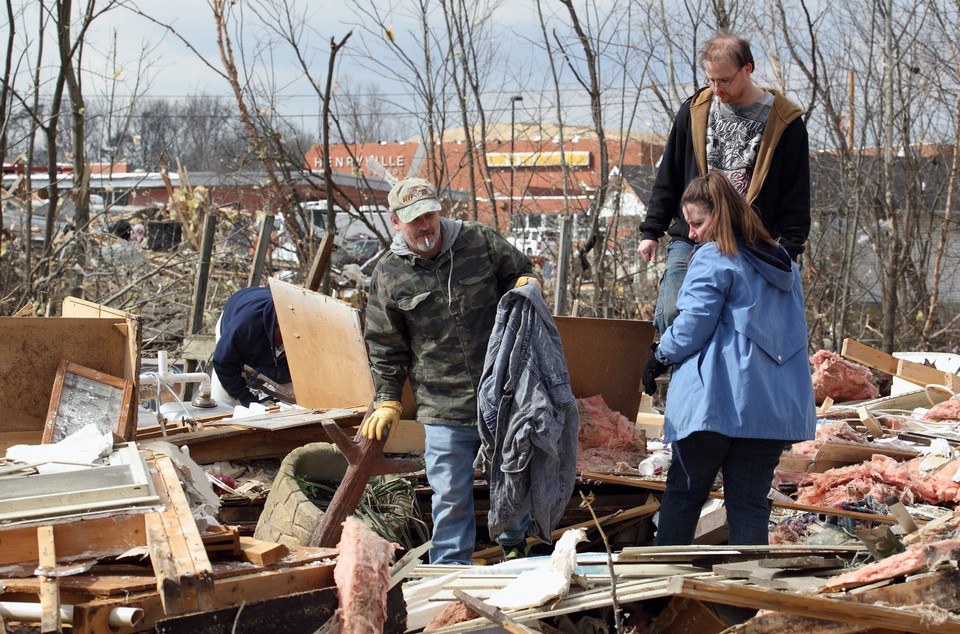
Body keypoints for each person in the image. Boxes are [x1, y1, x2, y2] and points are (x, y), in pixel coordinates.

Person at [361, 177, 539, 565]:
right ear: (395, 222)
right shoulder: (389, 275)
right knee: (450, 496)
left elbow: (519, 270)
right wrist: (388, 398)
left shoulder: (479, 240)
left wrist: (526, 283)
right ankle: (449, 572)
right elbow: (385, 345)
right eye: (414, 220)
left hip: (502, 392)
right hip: (443, 404)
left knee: (513, 478)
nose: (425, 225)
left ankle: (518, 551)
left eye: (429, 214)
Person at [642, 172, 816, 546]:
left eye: (697, 223)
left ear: (719, 216)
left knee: (684, 497)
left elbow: (692, 324)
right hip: (770, 409)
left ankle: (658, 595)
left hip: (716, 403)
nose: (691, 234)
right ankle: (749, 597)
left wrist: (659, 355)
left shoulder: (714, 257)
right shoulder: (784, 263)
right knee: (750, 505)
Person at [638, 32, 810, 335]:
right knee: (673, 314)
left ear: (748, 69)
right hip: (692, 238)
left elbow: (796, 192)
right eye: (710, 80)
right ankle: (685, 379)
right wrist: (651, 230)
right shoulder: (694, 111)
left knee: (740, 328)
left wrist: (789, 248)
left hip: (751, 242)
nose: (717, 89)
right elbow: (670, 175)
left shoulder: (785, 122)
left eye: (725, 80)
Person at [211, 286, 292, 408]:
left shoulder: (301, 333)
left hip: (259, 314)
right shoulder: (244, 326)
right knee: (224, 401)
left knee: (293, 400)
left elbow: (304, 371)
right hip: (237, 312)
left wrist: (273, 374)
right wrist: (243, 396)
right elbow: (223, 362)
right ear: (276, 326)